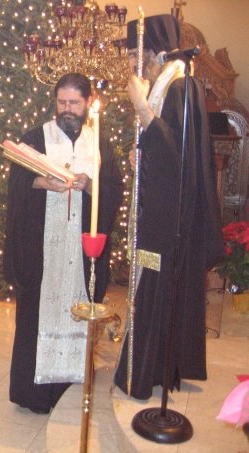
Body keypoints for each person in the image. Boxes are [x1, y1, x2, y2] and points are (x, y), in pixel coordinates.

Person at [113, 14, 223, 400]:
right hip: (158, 212)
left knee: (158, 283)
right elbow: (163, 147)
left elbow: (180, 155)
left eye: (134, 54)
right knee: (150, 284)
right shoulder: (166, 88)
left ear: (157, 52)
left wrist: (143, 109)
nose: (130, 63)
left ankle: (145, 372)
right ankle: (154, 365)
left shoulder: (181, 87)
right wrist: (137, 153)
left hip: (171, 220)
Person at [3, 73, 123, 413]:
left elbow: (114, 189)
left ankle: (70, 382)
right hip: (42, 251)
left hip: (82, 250)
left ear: (87, 104)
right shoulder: (36, 137)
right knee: (35, 315)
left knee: (77, 310)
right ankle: (32, 393)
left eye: (74, 103)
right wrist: (42, 182)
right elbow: (16, 187)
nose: (67, 110)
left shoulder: (98, 142)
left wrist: (88, 185)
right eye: (62, 102)